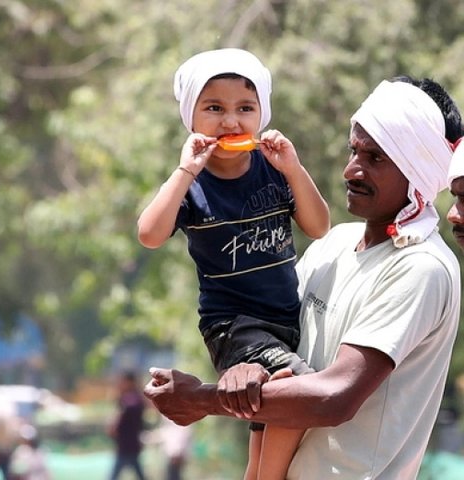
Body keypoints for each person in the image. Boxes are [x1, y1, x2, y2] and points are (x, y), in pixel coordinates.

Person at [143, 77, 463, 480]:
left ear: (418, 171)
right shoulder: (334, 246)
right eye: (354, 151)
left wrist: (203, 399)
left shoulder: (420, 267)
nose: (352, 170)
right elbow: (277, 354)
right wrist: (245, 370)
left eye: (376, 159)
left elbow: (333, 398)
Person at [137, 48, 330, 479]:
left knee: (265, 413)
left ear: (262, 113)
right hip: (233, 326)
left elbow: (318, 226)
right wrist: (184, 171)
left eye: (245, 108)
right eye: (214, 108)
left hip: (285, 318)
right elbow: (149, 234)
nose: (230, 121)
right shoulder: (193, 185)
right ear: (191, 120)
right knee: (293, 387)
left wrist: (295, 169)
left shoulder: (274, 167)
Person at [107, 371, 147, 480]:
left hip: (127, 444)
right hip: (128, 443)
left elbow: (120, 416)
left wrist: (113, 426)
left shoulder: (131, 399)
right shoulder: (134, 398)